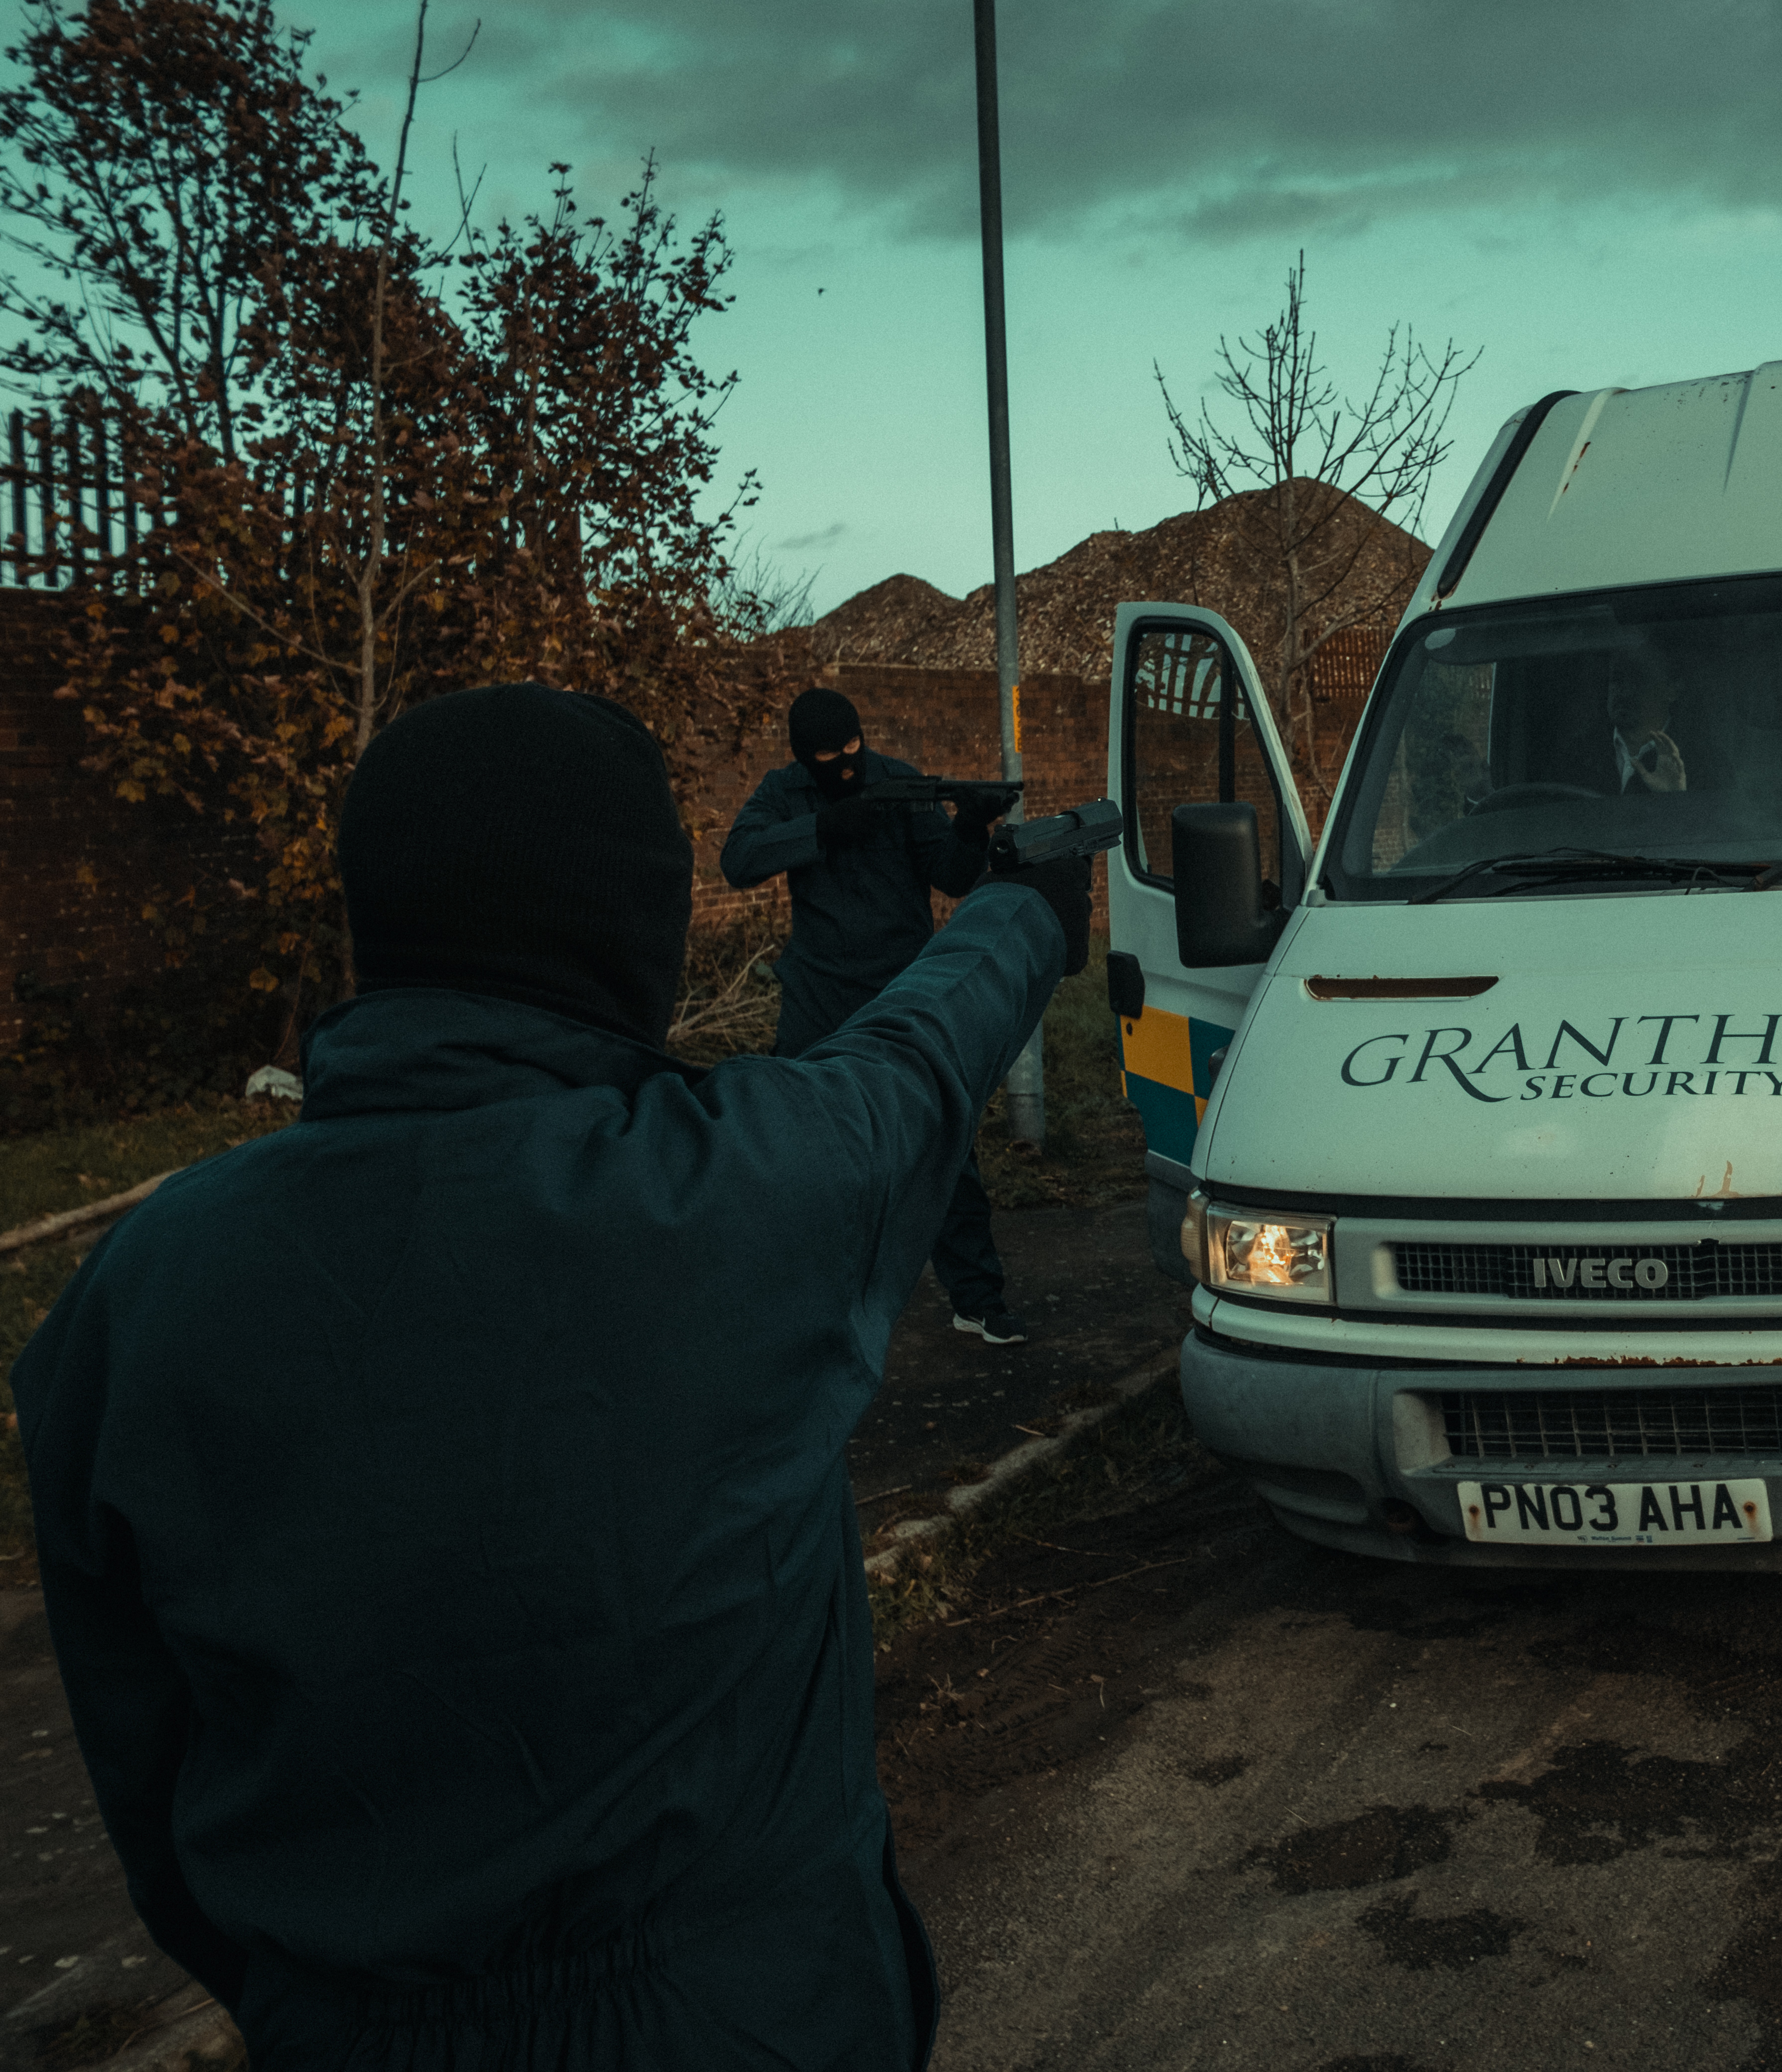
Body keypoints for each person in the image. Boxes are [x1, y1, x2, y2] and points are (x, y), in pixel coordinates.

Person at [11, 682, 1093, 2064]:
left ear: (372, 925)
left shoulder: (135, 1293)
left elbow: (148, 1783)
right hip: (751, 2023)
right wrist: (1030, 903)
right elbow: (919, 1054)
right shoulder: (741, 1196)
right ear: (636, 936)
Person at [725, 688, 1026, 1345]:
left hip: (903, 989)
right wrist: (822, 829)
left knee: (942, 1141)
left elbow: (951, 876)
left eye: (854, 750)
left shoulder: (899, 787)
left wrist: (972, 827)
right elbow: (738, 861)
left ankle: (978, 1299)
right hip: (819, 996)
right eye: (828, 757)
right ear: (805, 757)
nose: (845, 766)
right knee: (805, 1150)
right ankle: (805, 1306)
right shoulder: (785, 791)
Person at [1605, 648, 1688, 793]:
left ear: (1672, 690)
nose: (1624, 691)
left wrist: (1676, 796)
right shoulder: (1578, 755)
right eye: (1617, 679)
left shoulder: (1703, 761)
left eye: (1638, 680)